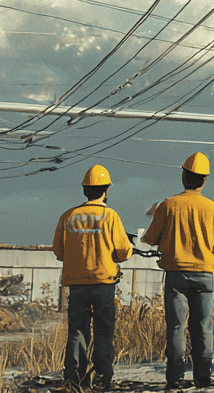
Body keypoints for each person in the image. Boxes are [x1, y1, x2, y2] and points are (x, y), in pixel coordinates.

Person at [143, 152, 214, 390]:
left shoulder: (168, 205)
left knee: (177, 328)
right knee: (203, 327)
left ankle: (175, 378)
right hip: (205, 276)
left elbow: (149, 238)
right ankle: (203, 376)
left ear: (183, 176)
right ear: (204, 180)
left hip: (176, 275)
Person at [52, 164, 132, 391]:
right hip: (104, 283)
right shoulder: (110, 216)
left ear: (84, 190)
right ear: (106, 190)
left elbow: (59, 251)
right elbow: (124, 251)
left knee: (77, 332)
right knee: (104, 332)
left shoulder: (68, 216)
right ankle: (102, 379)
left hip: (76, 285)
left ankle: (74, 381)